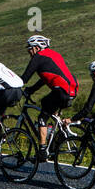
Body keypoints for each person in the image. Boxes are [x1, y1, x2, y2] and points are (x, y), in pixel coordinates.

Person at [20, 34, 78, 162]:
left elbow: (24, 79)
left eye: (30, 48)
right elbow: (45, 78)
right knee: (50, 109)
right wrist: (31, 90)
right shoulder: (55, 54)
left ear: (36, 47)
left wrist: (12, 86)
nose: (29, 51)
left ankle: (42, 151)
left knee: (42, 115)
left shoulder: (38, 57)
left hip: (61, 91)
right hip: (71, 90)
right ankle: (58, 137)